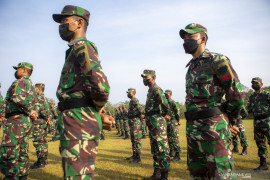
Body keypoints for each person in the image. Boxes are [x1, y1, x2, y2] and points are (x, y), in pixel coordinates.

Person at [52, 5, 113, 179]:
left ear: (79, 22)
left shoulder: (82, 46)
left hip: (79, 123)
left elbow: (101, 87)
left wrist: (99, 109)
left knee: (78, 175)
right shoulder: (75, 49)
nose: (61, 26)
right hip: (74, 121)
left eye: (65, 21)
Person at [179, 23, 244, 179]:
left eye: (191, 37)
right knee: (197, 175)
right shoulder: (191, 67)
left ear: (203, 39)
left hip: (215, 132)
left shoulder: (217, 60)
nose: (186, 40)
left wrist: (231, 121)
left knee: (221, 175)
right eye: (185, 38)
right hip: (193, 132)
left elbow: (236, 95)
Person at [0, 62, 38, 180]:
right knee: (22, 151)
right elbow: (36, 103)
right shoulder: (32, 86)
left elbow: (17, 98)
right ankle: (22, 176)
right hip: (27, 122)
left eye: (18, 69)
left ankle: (11, 177)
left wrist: (30, 111)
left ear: (23, 71)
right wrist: (34, 112)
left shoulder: (20, 82)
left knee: (8, 151)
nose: (16, 71)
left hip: (16, 120)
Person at [141, 69, 170, 180]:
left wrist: (163, 116)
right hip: (152, 123)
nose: (144, 79)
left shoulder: (157, 90)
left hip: (157, 123)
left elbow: (165, 105)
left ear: (153, 78)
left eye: (146, 77)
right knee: (155, 149)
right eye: (143, 77)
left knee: (161, 149)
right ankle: (156, 174)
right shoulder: (150, 90)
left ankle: (164, 177)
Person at [247, 77, 270, 171]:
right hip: (256, 122)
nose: (254, 84)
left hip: (267, 121)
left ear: (261, 84)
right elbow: (248, 109)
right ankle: (263, 165)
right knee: (260, 143)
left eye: (256, 83)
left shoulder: (267, 94)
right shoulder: (251, 97)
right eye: (252, 83)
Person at [30, 83, 52, 169]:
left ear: (39, 89)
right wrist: (48, 119)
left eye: (35, 89)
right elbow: (47, 112)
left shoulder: (39, 98)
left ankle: (40, 162)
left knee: (38, 142)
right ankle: (44, 160)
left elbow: (41, 111)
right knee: (43, 142)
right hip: (43, 123)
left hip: (39, 123)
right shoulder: (45, 98)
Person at [164, 90, 181, 162]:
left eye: (167, 94)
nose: (165, 95)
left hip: (173, 122)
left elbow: (178, 112)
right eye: (165, 94)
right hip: (166, 123)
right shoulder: (164, 103)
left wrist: (177, 121)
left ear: (170, 94)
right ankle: (172, 152)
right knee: (168, 138)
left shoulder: (173, 102)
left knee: (175, 138)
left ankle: (177, 155)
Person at [126, 88, 142, 163]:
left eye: (129, 92)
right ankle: (134, 154)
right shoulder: (131, 101)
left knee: (136, 139)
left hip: (135, 121)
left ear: (133, 93)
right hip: (132, 121)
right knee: (133, 138)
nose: (128, 94)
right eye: (127, 93)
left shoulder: (135, 100)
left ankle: (138, 157)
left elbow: (140, 110)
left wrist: (138, 116)